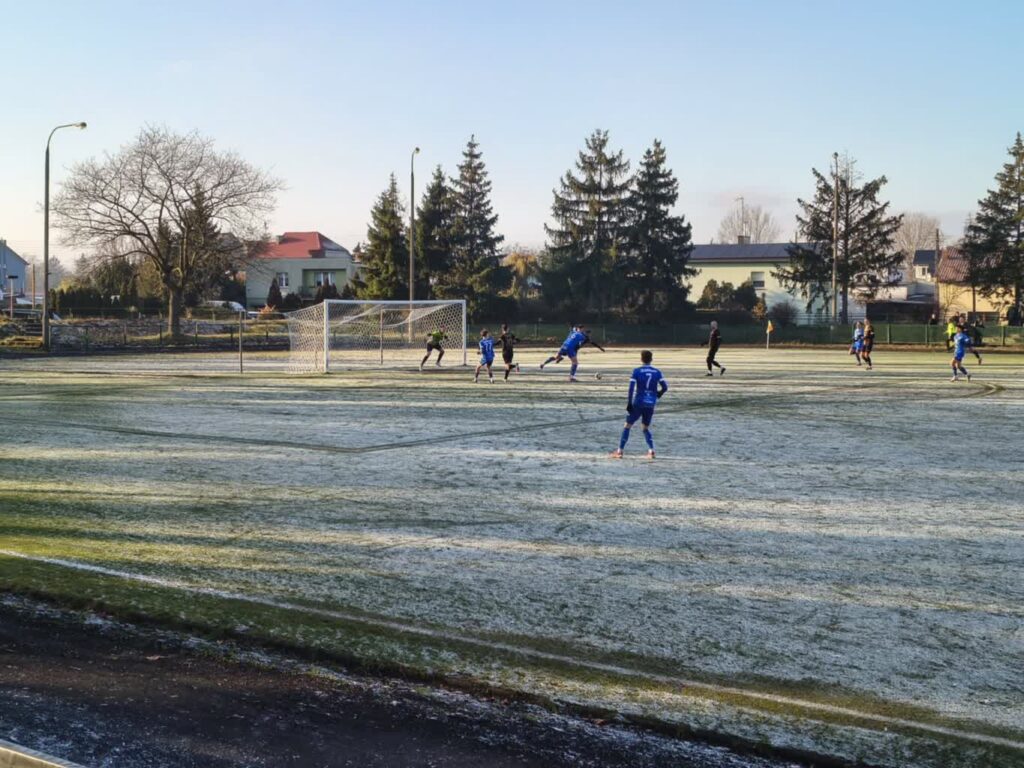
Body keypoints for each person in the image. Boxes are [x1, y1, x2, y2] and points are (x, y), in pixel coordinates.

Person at [610, 350, 668, 460]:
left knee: (627, 426)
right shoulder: (657, 372)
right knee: (645, 428)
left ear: (641, 359)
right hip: (650, 403)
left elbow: (631, 388)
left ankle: (620, 451)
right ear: (651, 359)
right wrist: (658, 395)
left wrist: (629, 402)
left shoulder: (636, 371)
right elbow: (665, 387)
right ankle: (651, 451)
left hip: (639, 402)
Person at [540, 325, 604, 382]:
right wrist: (600, 347)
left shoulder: (573, 332)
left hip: (564, 345)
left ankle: (543, 363)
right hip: (570, 348)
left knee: (556, 357)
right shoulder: (584, 337)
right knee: (575, 362)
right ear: (582, 330)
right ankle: (571, 377)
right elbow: (592, 343)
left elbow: (573, 331)